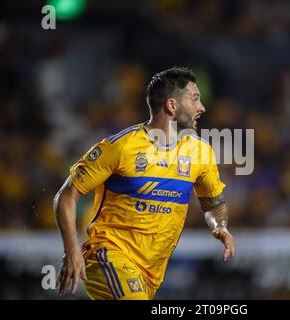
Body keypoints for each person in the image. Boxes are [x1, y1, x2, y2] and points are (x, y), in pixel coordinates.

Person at [53, 67, 235, 300]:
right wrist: (71, 250)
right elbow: (66, 196)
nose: (202, 107)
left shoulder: (200, 152)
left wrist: (220, 227)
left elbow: (212, 202)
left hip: (151, 273)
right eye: (195, 99)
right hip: (109, 256)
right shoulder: (120, 147)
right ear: (172, 106)